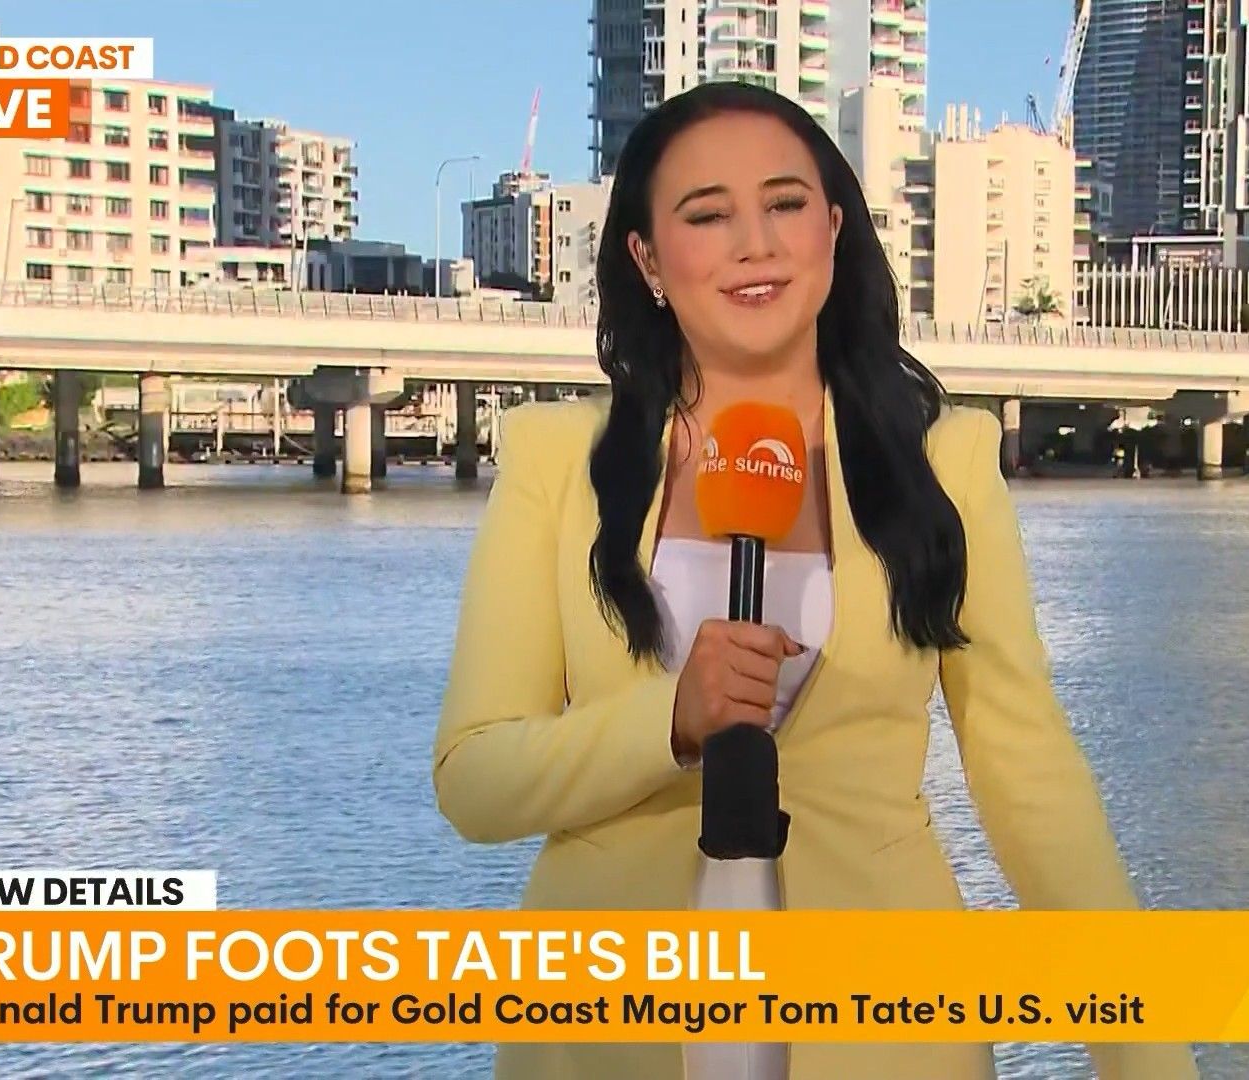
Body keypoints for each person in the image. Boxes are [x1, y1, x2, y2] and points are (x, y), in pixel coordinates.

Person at [433, 82, 1197, 1080]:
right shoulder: (554, 462)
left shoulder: (947, 462)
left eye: (786, 204)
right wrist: (670, 722)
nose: (755, 244)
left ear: (833, 231)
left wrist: (1146, 1056)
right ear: (648, 260)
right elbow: (476, 779)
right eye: (707, 216)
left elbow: (1028, 774)